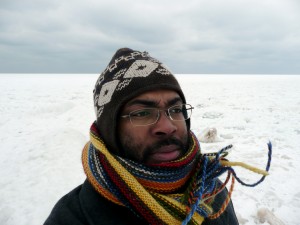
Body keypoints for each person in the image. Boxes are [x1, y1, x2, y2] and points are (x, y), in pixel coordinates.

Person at [44, 48, 239, 225]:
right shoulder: (72, 217)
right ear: (110, 130)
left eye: (176, 109)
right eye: (142, 113)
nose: (167, 127)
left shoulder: (211, 193)